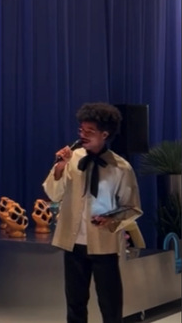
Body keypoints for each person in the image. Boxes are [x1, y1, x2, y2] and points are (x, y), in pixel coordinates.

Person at [42, 102, 142, 323]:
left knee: (110, 304)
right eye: (81, 130)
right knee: (75, 303)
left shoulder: (120, 167)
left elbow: (132, 207)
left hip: (103, 244)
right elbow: (53, 194)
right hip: (73, 242)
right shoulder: (71, 159)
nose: (83, 135)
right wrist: (59, 167)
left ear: (104, 134)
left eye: (90, 131)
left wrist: (111, 218)